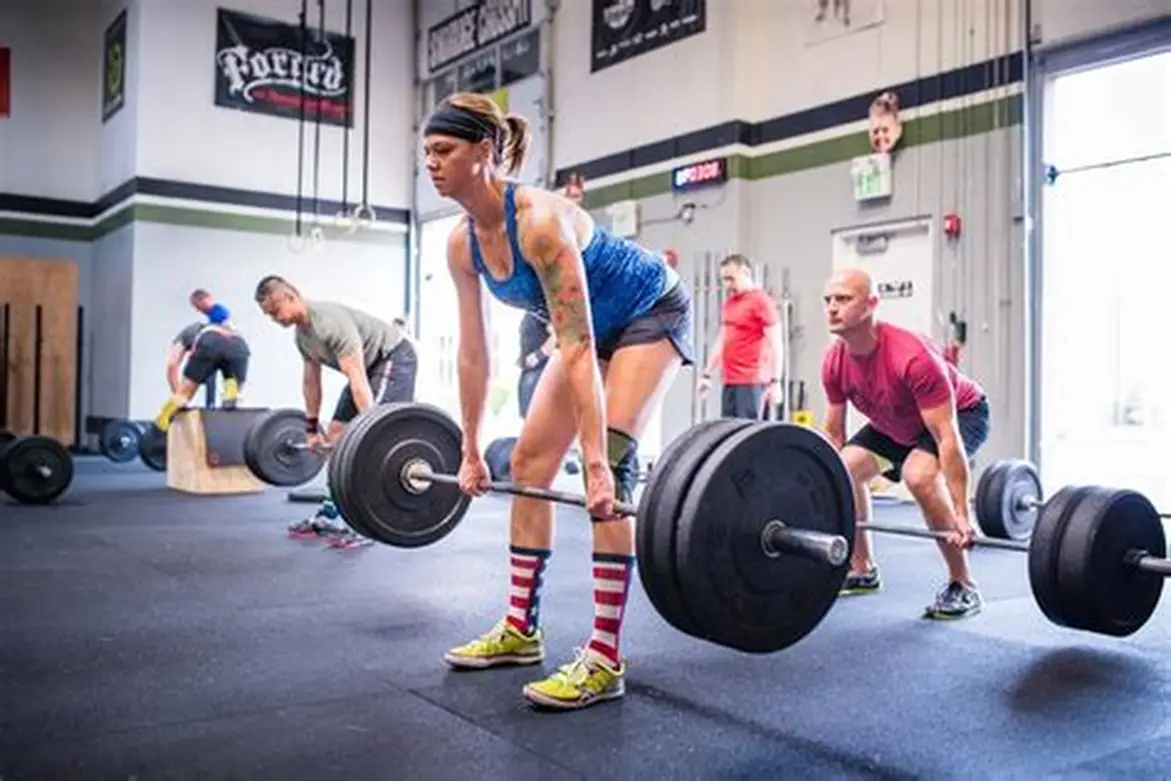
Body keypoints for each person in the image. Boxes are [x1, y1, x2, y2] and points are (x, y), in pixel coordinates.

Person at [422, 91, 694, 710]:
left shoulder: (540, 223)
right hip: (587, 330)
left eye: (444, 150)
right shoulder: (461, 245)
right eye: (427, 153)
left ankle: (603, 657)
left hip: (650, 312)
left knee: (615, 467)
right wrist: (468, 447)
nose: (431, 164)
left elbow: (574, 347)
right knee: (527, 466)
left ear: (485, 152)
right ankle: (520, 628)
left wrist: (595, 463)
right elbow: (473, 353)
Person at [819, 267, 991, 620]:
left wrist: (961, 511)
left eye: (844, 299)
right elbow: (833, 433)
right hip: (894, 421)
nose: (833, 308)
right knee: (845, 469)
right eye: (828, 300)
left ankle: (963, 585)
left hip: (963, 415)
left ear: (871, 304)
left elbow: (947, 434)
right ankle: (862, 569)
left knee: (919, 476)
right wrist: (820, 489)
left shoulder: (911, 356)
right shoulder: (835, 361)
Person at [254, 276, 418, 550]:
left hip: (393, 358)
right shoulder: (303, 336)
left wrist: (371, 431)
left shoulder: (329, 323)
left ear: (291, 296)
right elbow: (311, 382)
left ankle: (372, 521)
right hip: (367, 370)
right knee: (336, 435)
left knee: (367, 443)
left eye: (275, 311)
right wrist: (310, 427)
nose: (274, 319)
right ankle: (333, 512)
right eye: (269, 315)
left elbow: (356, 376)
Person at [696, 254, 784, 419]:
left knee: (749, 436)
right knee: (730, 434)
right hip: (730, 380)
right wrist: (706, 374)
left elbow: (776, 344)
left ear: (745, 273)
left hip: (752, 382)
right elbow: (722, 339)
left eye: (731, 278)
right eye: (724, 279)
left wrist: (776, 382)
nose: (728, 284)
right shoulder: (731, 303)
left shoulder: (761, 301)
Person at [157, 320, 251, 431]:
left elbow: (172, 365)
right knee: (232, 394)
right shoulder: (223, 326)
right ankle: (225, 432)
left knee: (183, 395)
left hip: (211, 341)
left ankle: (159, 430)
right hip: (239, 345)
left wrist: (179, 394)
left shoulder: (186, 333)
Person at [516, 312, 555, 417]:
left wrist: (536, 357)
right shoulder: (534, 309)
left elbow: (558, 336)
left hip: (542, 372)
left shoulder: (546, 310)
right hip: (531, 371)